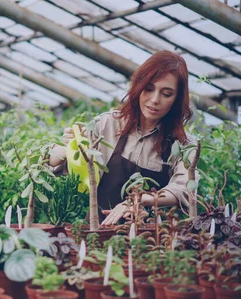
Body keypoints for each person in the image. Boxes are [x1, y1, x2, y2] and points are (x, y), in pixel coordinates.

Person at [49, 50, 197, 227]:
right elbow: (62, 167)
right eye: (149, 89)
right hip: (98, 234)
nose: (155, 100)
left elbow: (185, 189)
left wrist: (139, 200)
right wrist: (69, 149)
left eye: (166, 94)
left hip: (151, 240)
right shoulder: (108, 125)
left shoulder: (183, 144)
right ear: (138, 86)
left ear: (177, 99)